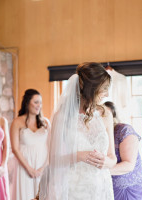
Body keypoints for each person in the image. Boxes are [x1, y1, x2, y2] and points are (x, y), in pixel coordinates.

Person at [39, 62, 117, 200]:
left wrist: (106, 162)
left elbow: (112, 158)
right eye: (104, 89)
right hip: (72, 190)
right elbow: (53, 159)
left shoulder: (106, 115)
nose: (107, 94)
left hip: (100, 188)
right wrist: (79, 155)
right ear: (91, 88)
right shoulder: (62, 117)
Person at [104, 101, 142, 200]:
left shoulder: (124, 130)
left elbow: (128, 165)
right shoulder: (99, 134)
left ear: (112, 117)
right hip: (111, 188)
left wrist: (99, 173)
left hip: (131, 189)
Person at [10, 89, 50, 200]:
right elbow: (15, 148)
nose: (39, 105)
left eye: (40, 102)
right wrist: (29, 169)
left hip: (42, 166)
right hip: (24, 167)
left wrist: (43, 168)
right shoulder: (17, 122)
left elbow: (51, 148)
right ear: (27, 103)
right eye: (36, 102)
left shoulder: (46, 123)